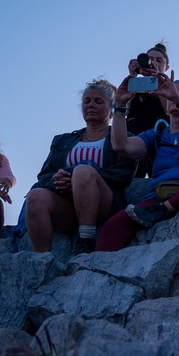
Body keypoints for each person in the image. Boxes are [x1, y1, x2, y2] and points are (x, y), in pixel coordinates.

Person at [95, 72, 179, 252]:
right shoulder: (157, 134)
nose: (175, 97)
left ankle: (165, 209)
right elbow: (122, 146)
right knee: (114, 225)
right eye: (172, 93)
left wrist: (178, 99)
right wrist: (120, 106)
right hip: (157, 199)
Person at [25, 79, 136, 254]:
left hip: (105, 205)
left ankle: (86, 240)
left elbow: (124, 175)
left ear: (112, 110)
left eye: (98, 101)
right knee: (35, 196)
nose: (91, 105)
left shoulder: (123, 138)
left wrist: (76, 177)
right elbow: (44, 175)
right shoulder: (62, 140)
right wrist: (57, 181)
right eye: (87, 101)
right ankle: (42, 258)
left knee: (82, 171)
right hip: (67, 207)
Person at [125, 42, 172, 178]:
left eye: (159, 60)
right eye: (150, 59)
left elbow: (169, 111)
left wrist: (159, 81)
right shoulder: (134, 84)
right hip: (134, 132)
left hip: (159, 133)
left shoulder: (168, 87)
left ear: (166, 67)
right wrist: (132, 76)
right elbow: (123, 109)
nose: (154, 63)